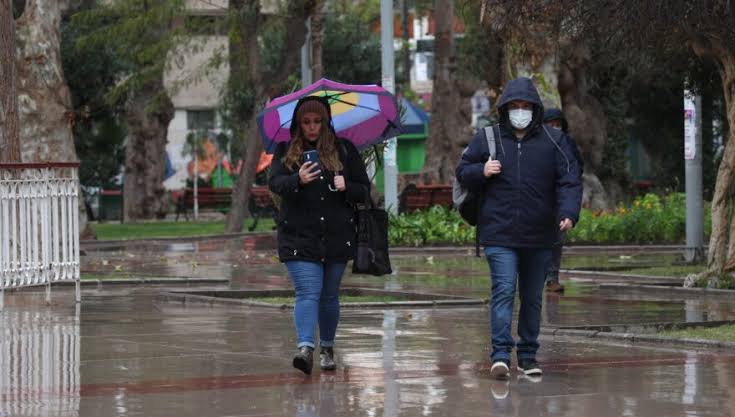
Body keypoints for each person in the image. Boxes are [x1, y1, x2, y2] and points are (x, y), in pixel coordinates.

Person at [455, 77, 582, 380]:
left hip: (540, 235)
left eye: (526, 106)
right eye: (515, 106)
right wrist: (481, 170)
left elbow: (569, 180)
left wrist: (568, 213)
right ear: (505, 109)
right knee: (503, 290)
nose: (521, 111)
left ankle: (527, 355)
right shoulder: (488, 138)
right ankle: (500, 355)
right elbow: (462, 171)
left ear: (535, 108)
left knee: (532, 296)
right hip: (499, 233)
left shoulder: (554, 142)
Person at [269, 96, 370, 375]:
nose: (312, 127)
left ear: (325, 123)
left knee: (328, 297)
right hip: (299, 236)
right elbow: (275, 183)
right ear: (298, 125)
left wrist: (346, 185)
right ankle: (305, 348)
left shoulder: (344, 150)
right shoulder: (286, 151)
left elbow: (364, 190)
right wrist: (296, 180)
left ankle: (326, 347)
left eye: (317, 121)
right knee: (307, 292)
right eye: (306, 122)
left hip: (337, 235)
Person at [543, 108, 584, 293]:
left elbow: (575, 170)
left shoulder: (568, 144)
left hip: (560, 200)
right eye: (550, 125)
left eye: (557, 125)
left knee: (557, 240)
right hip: (538, 199)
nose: (554, 128)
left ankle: (552, 278)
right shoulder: (537, 144)